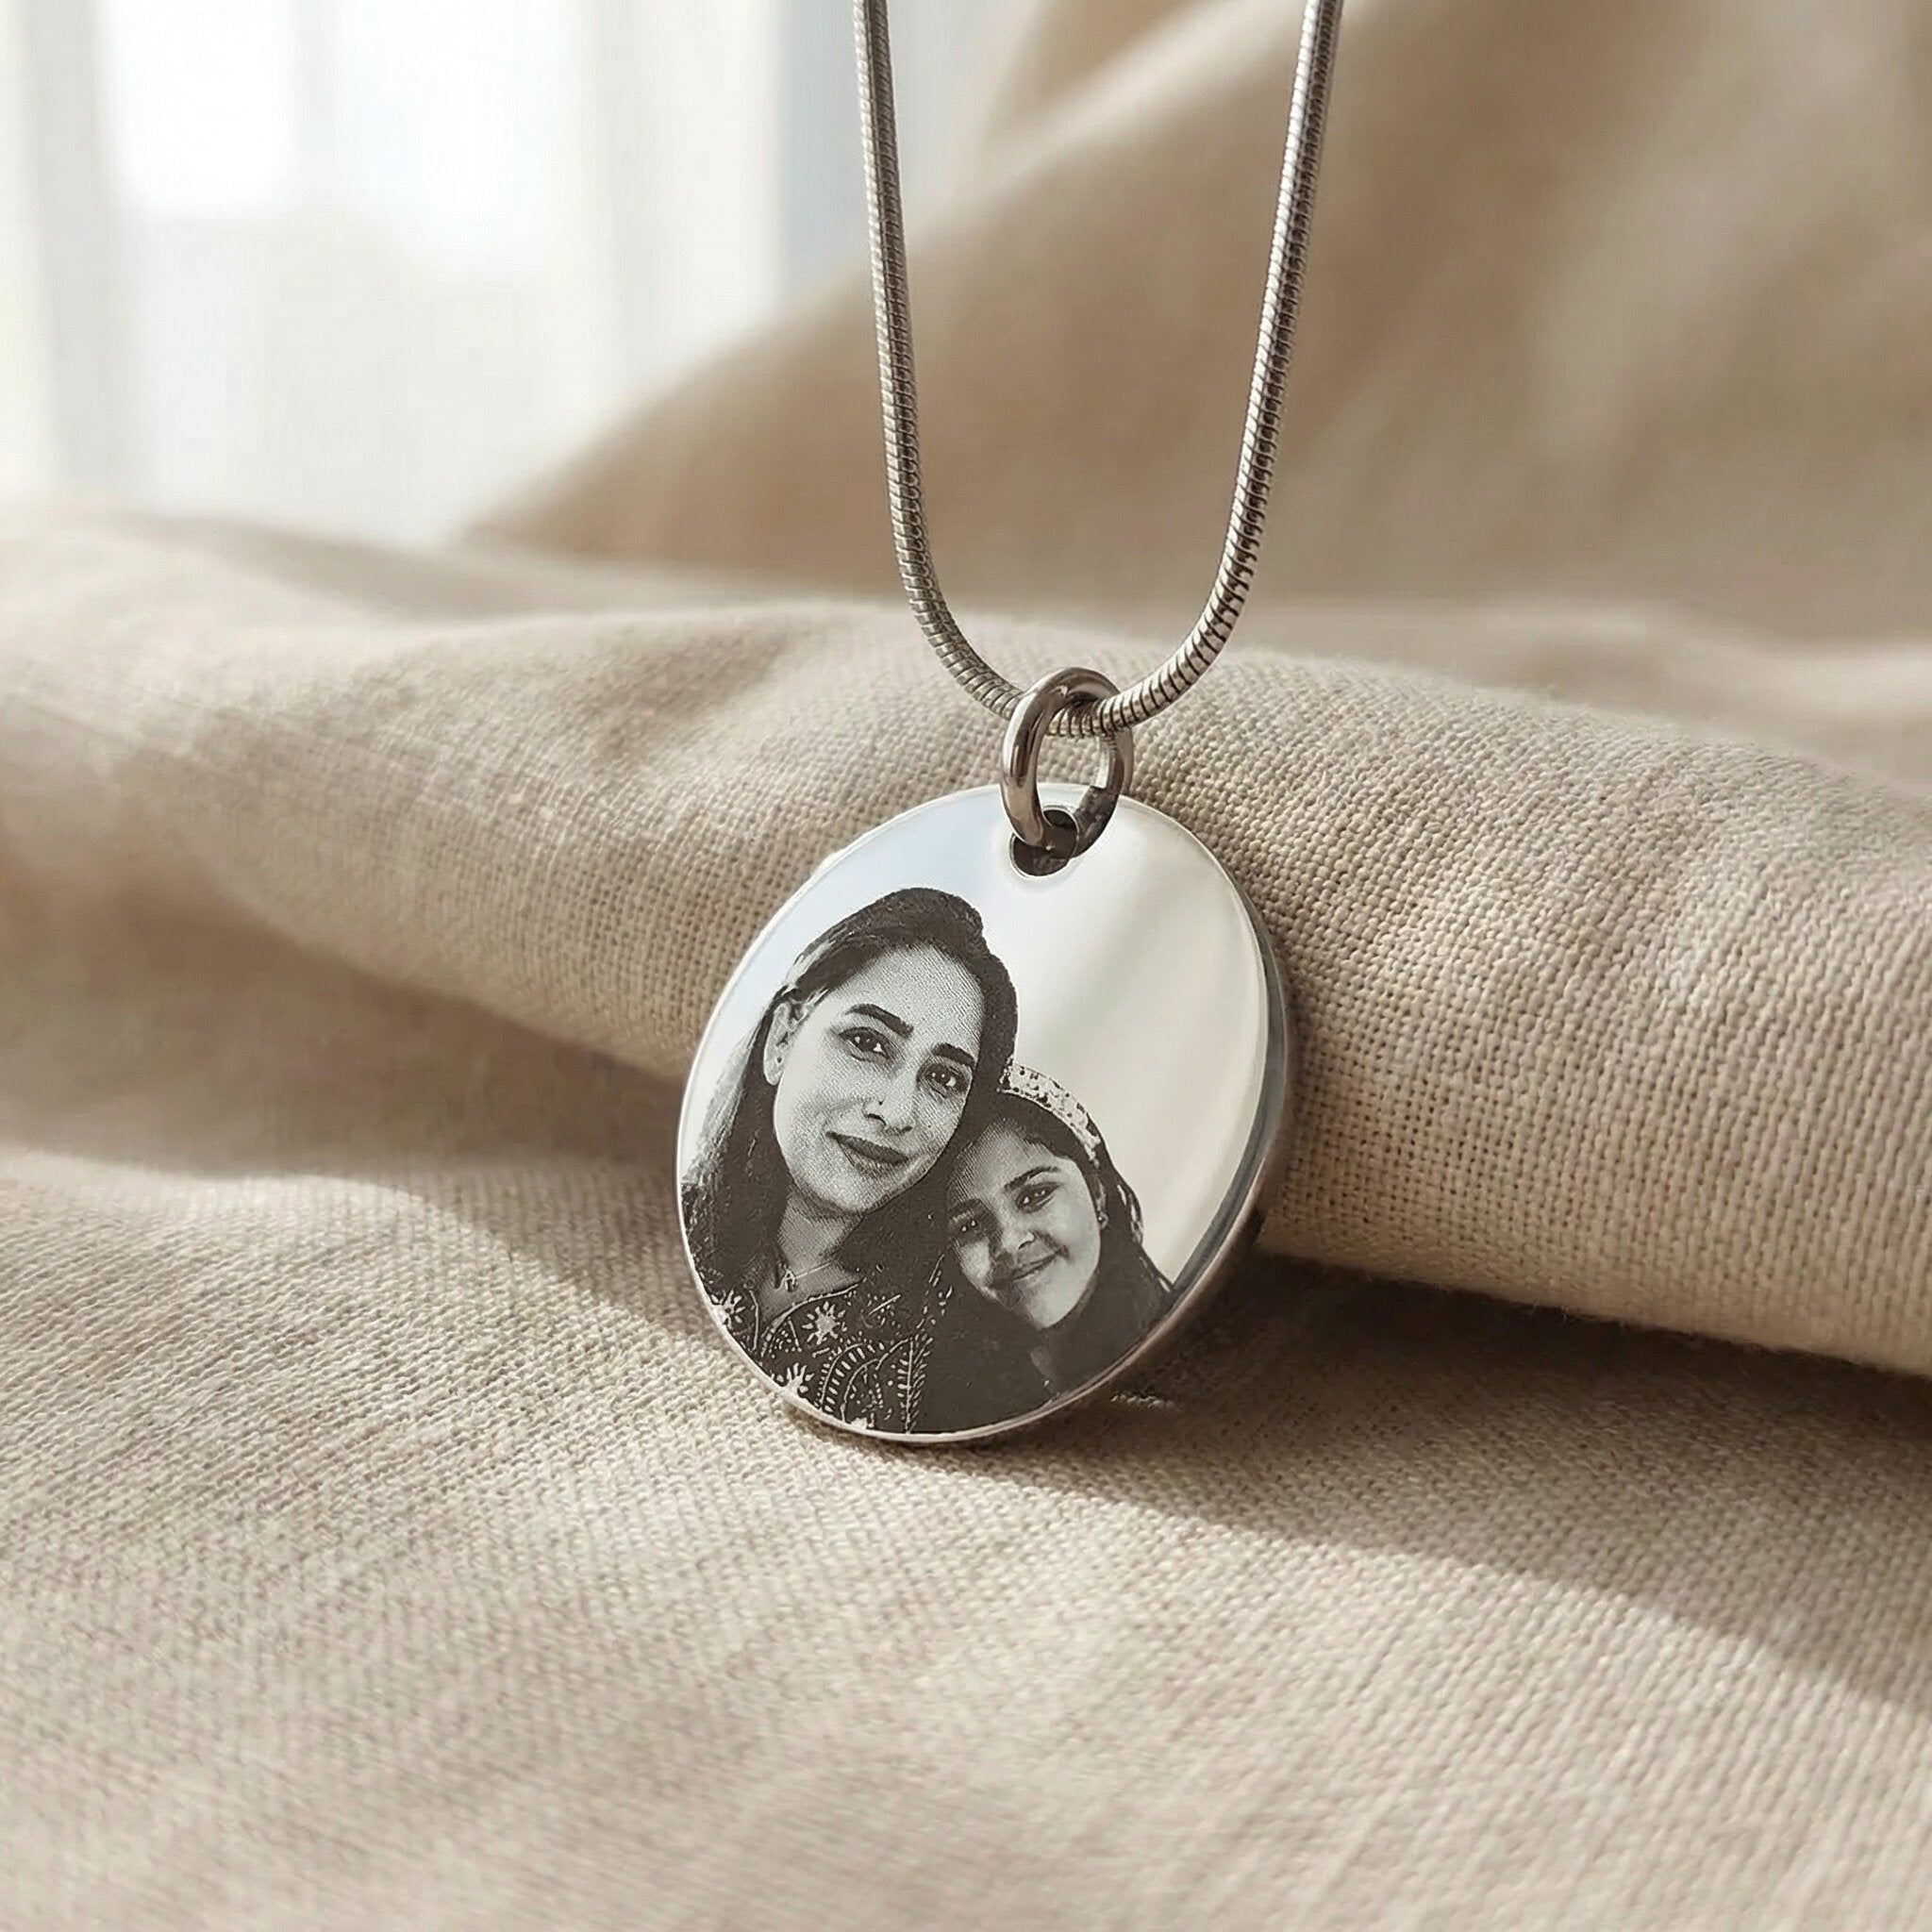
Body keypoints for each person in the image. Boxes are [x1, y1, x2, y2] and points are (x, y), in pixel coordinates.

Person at [682, 887, 1018, 1430]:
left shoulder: (971, 1336)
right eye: (867, 1042)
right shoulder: (665, 1226)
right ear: (783, 1039)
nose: (897, 1111)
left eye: (943, 1078)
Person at [919, 1065, 1172, 1432]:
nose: (1008, 1243)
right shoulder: (943, 1411)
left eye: (1034, 1195)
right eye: (970, 1226)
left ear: (1097, 1193)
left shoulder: (1195, 1350)